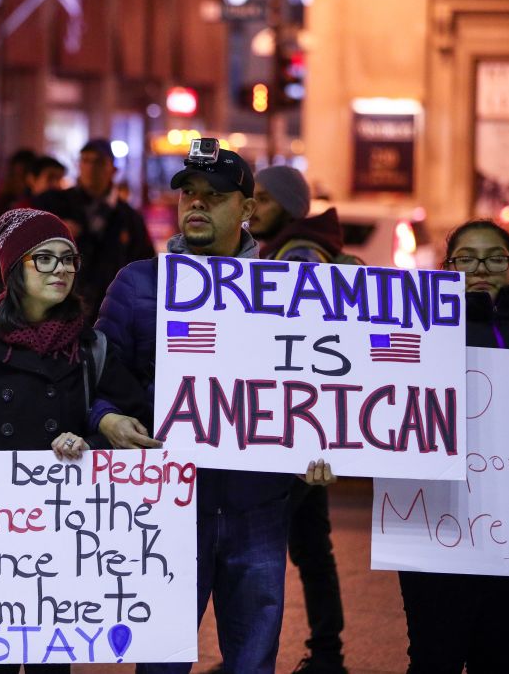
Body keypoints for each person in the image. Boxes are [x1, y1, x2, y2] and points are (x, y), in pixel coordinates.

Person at [93, 139, 334, 674]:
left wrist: (325, 450)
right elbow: (97, 380)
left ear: (248, 209)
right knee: (161, 663)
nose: (197, 204)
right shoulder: (138, 284)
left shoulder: (292, 291)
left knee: (252, 663)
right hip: (167, 509)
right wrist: (105, 418)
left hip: (258, 508)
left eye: (216, 196)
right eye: (189, 195)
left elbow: (321, 390)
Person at [0, 208, 151, 674]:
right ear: (14, 269)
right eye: (44, 259)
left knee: (51, 664)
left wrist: (94, 436)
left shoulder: (92, 349)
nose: (61, 270)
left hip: (61, 534)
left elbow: (141, 426)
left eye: (68, 260)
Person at [398, 219, 509, 674]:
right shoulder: (415, 343)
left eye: (495, 258)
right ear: (447, 267)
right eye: (466, 259)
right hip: (435, 532)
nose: (482, 269)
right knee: (434, 658)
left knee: (502, 660)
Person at [250, 165, 348, 674]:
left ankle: (254, 656)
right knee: (312, 545)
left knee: (260, 547)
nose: (253, 207)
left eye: (263, 199)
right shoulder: (301, 247)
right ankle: (327, 652)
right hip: (307, 424)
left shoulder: (298, 256)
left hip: (289, 427)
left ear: (288, 206)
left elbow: (294, 343)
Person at [33, 139, 155, 324]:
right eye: (85, 160)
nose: (91, 168)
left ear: (113, 170)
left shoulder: (129, 218)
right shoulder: (54, 204)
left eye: (98, 161)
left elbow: (145, 268)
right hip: (57, 316)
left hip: (112, 318)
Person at [0, 148, 38, 305]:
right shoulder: (0, 201)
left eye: (24, 174)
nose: (20, 180)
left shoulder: (38, 203)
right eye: (16, 174)